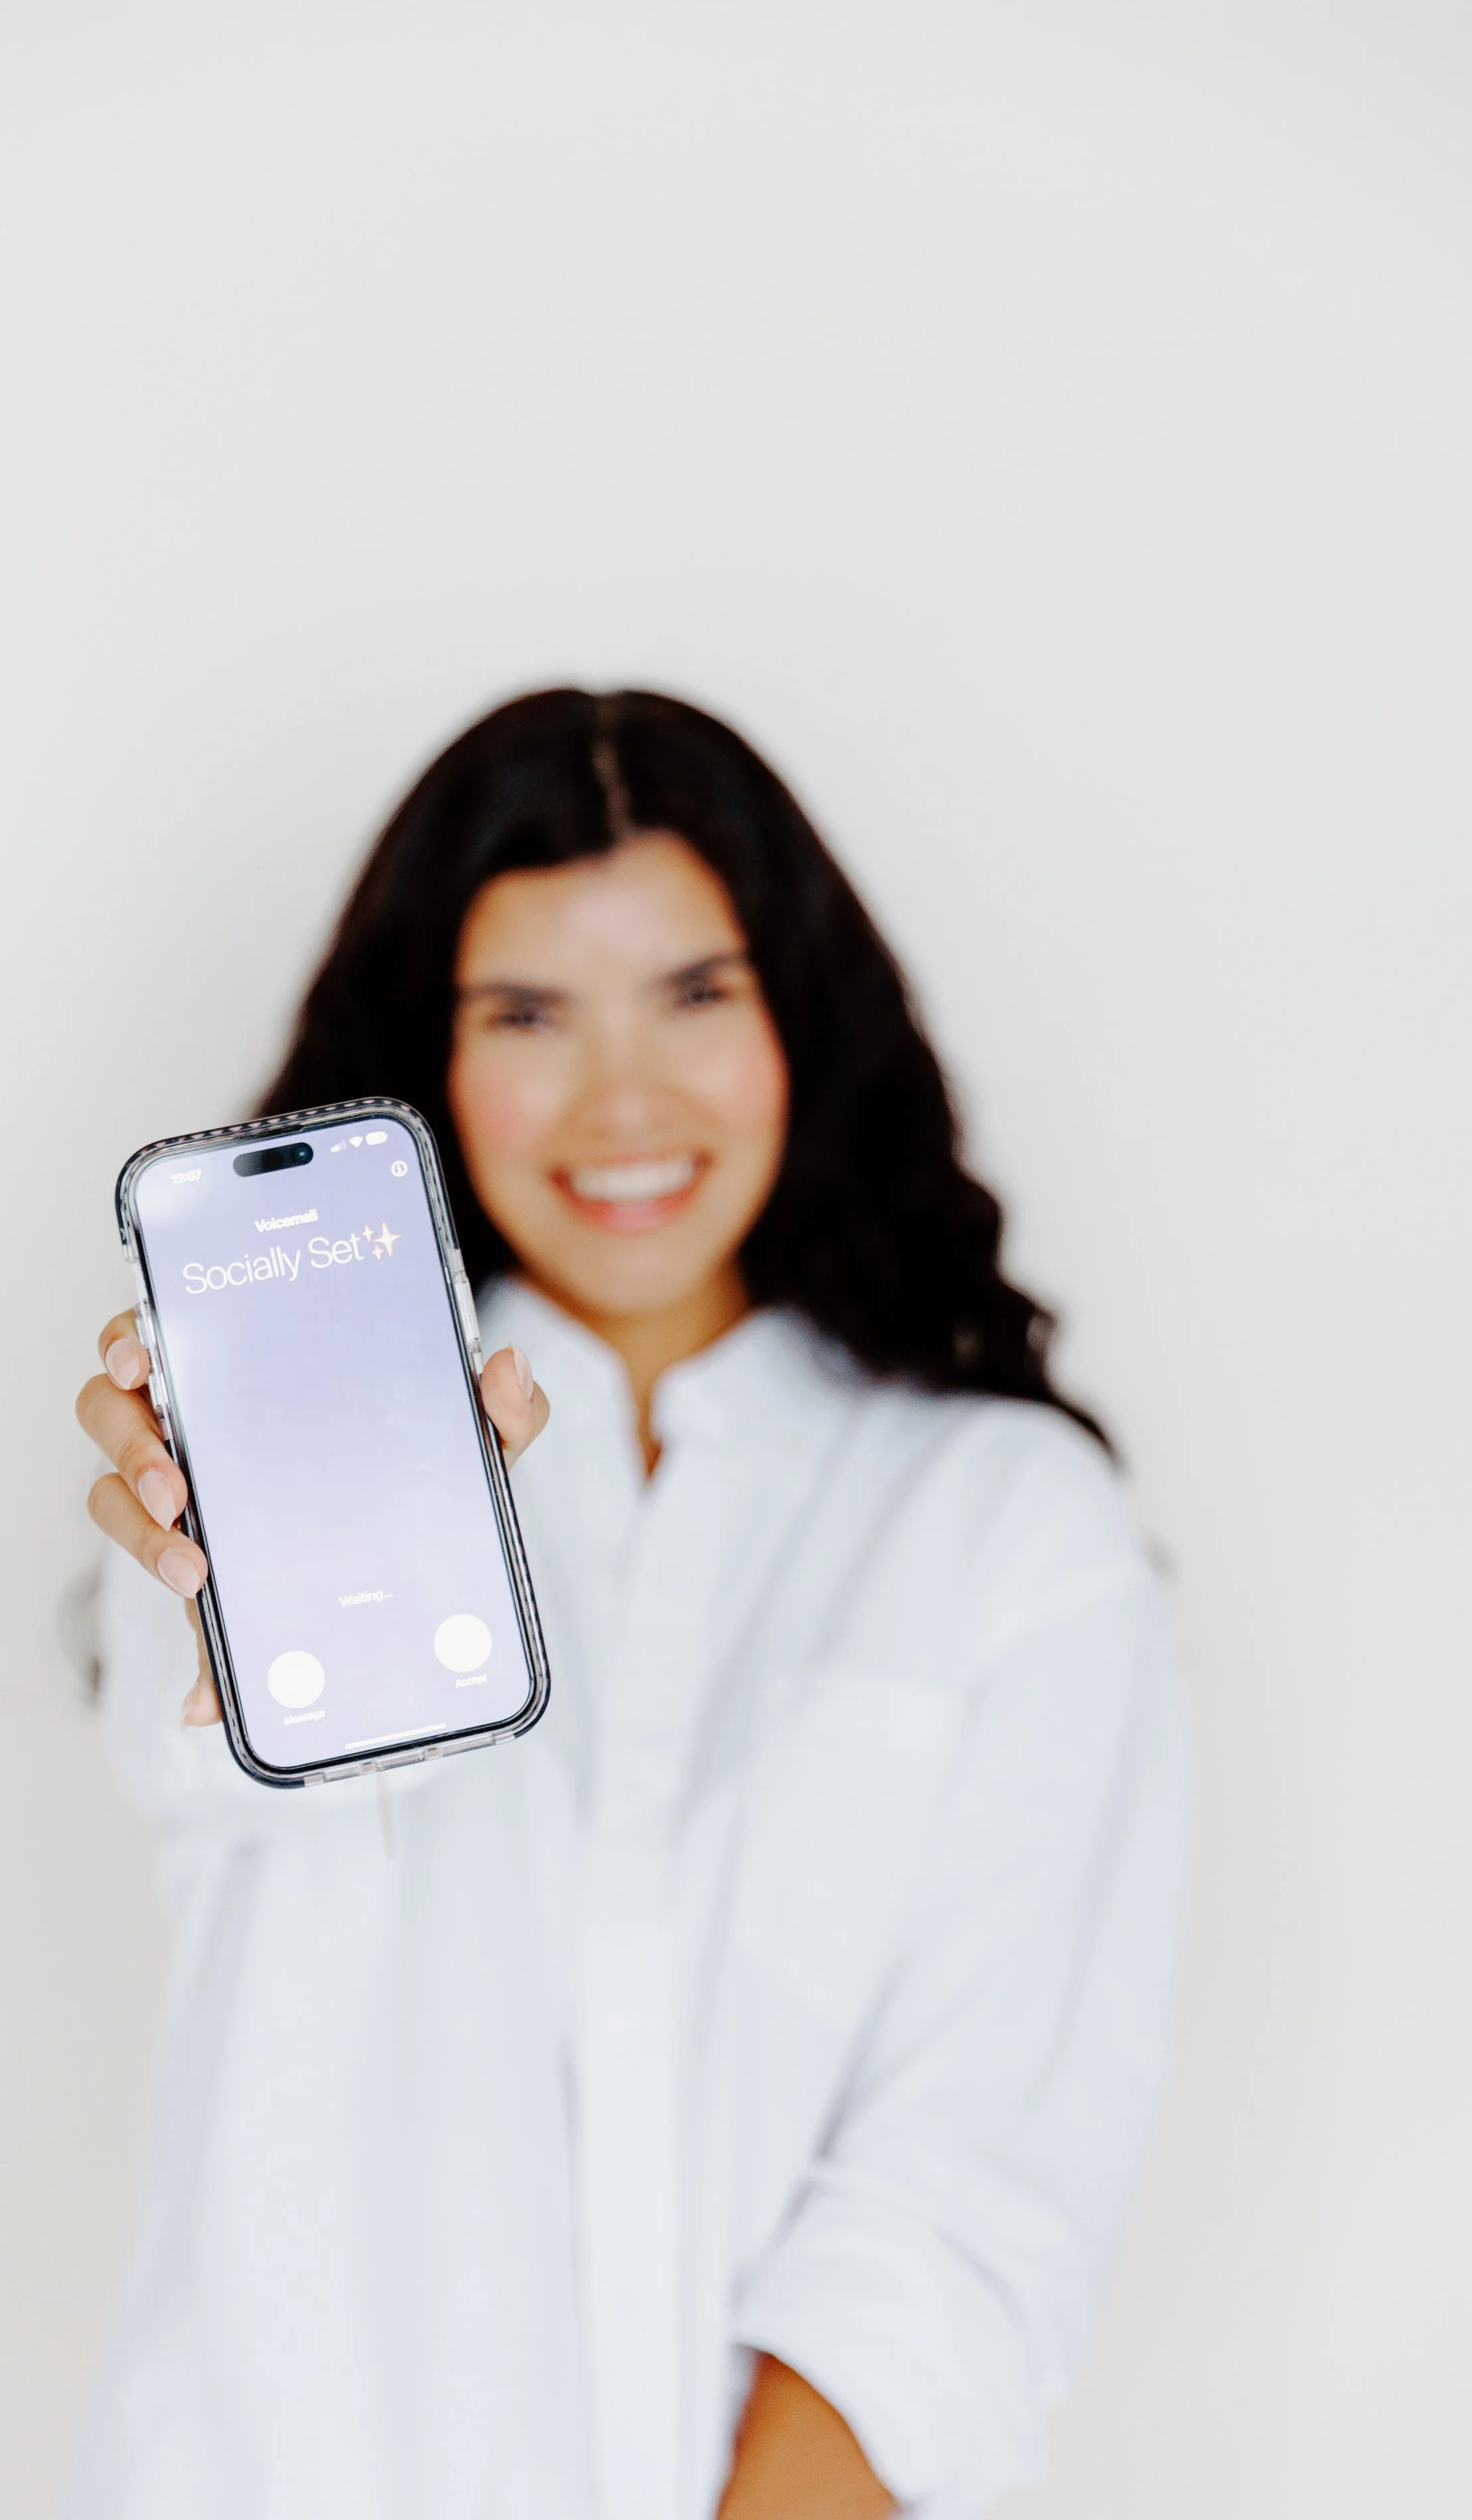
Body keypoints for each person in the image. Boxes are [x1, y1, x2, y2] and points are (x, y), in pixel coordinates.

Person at [67, 689, 1185, 2520]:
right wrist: (224, 1609)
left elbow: (959, 2209)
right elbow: (208, 1771)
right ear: (423, 1053)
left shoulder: (998, 1526)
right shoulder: (260, 1456)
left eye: (694, 994)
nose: (622, 1103)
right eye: (525, 1015)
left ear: (797, 1019)